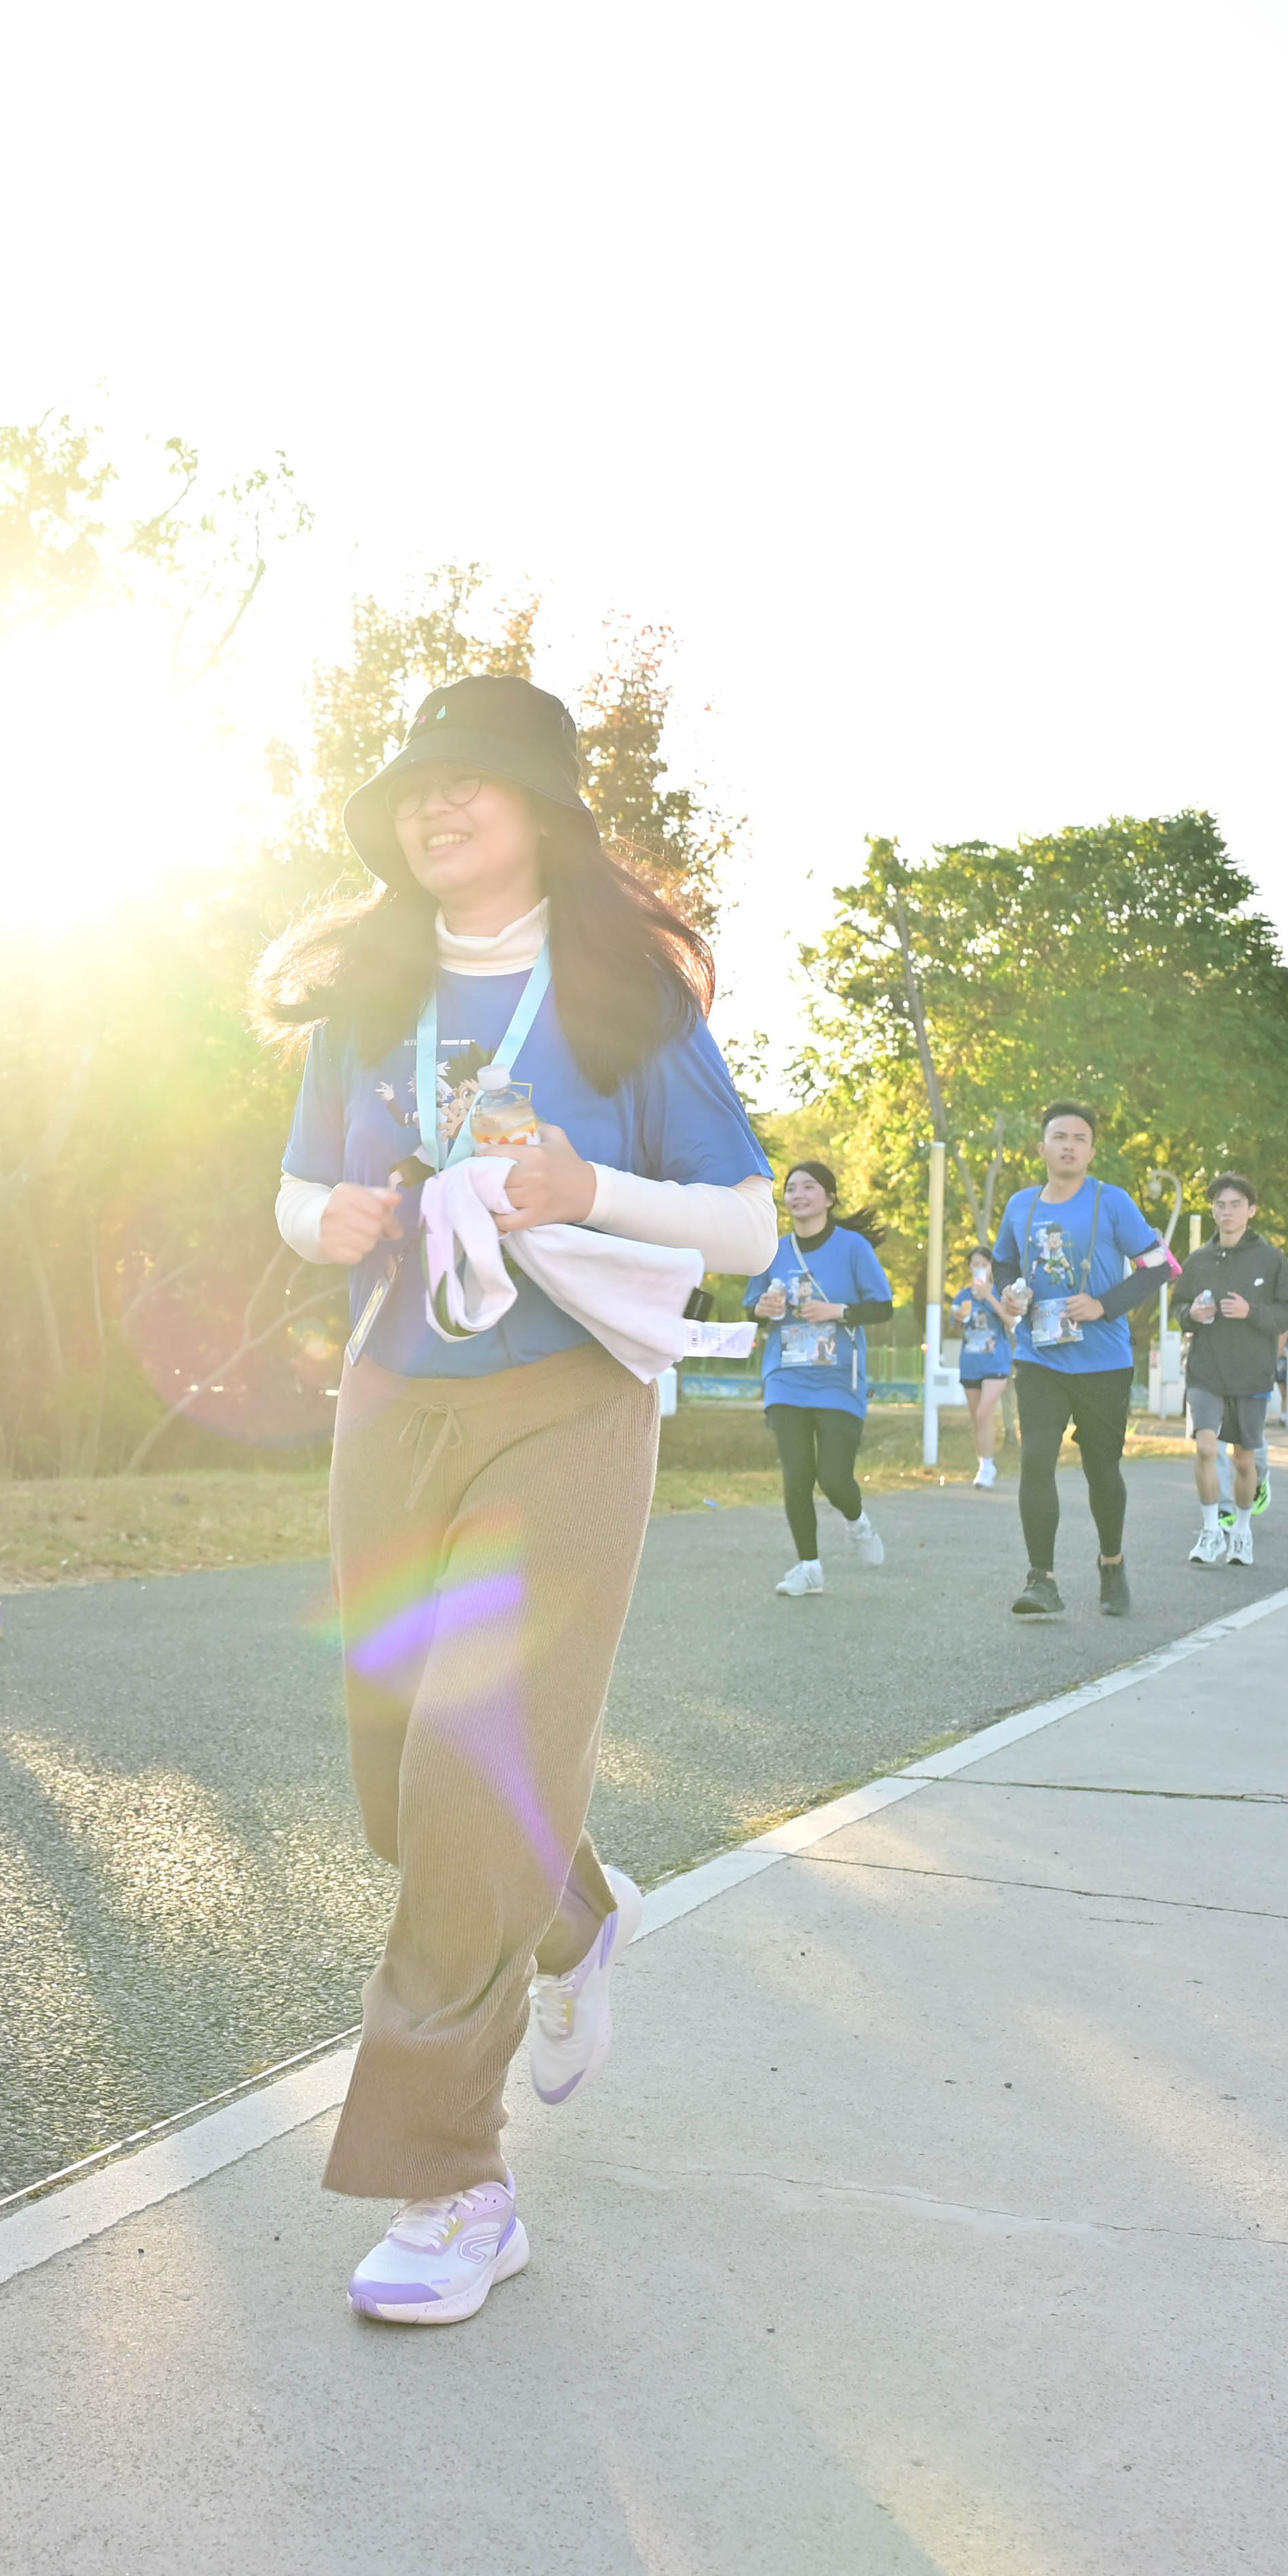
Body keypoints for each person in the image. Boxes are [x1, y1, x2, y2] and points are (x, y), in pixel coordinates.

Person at [262, 673, 772, 2327]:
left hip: (569, 1397)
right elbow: (299, 1188)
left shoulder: (625, 1001)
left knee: (474, 1766)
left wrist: (586, 1186)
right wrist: (328, 1222)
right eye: (414, 784)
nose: (434, 805)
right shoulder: (373, 995)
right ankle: (577, 1915)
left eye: (469, 781)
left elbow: (750, 1222)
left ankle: (452, 2184)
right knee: (400, 1785)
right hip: (393, 1396)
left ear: (541, 811)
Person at [991, 1103, 1174, 1620]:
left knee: (1102, 1470)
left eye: (1079, 1138)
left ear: (1092, 1151)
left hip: (1103, 1361)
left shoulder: (1112, 1201)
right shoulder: (1021, 1205)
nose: (1069, 1145)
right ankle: (1041, 1580)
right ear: (1042, 1147)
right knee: (1035, 1459)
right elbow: (1004, 1261)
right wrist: (1010, 1292)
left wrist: (1104, 1305)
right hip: (1040, 1355)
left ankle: (1111, 1563)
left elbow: (1159, 1267)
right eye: (1059, 1137)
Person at [747, 1162, 895, 1594]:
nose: (798, 1195)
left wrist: (838, 1311)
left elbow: (883, 1308)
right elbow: (752, 1308)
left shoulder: (853, 1248)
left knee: (833, 1479)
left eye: (809, 1187)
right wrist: (762, 1309)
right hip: (786, 1376)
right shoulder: (772, 1251)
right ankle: (809, 1568)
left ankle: (857, 1521)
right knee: (797, 1476)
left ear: (830, 1198)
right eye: (791, 1188)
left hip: (838, 1379)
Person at [1175, 1173, 1288, 1568]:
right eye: (1220, 1206)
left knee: (1244, 1461)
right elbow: (1180, 1307)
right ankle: (1211, 1530)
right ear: (1213, 1211)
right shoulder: (1198, 1260)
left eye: (1235, 1205)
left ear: (1251, 1210)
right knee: (1205, 1448)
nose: (1227, 1213)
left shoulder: (1270, 1259)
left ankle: (1242, 1531)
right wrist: (1192, 1314)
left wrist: (1252, 1312)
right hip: (1206, 1369)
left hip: (1251, 1372)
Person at [949, 1251, 1014, 1487]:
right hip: (971, 1363)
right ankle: (985, 1466)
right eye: (975, 1264)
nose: (979, 1268)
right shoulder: (963, 1296)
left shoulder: (1000, 1293)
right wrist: (959, 1318)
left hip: (996, 1362)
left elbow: (1012, 1322)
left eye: (984, 1264)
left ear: (991, 1268)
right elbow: (954, 1329)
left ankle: (988, 1467)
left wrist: (989, 1296)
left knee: (983, 1413)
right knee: (976, 1419)